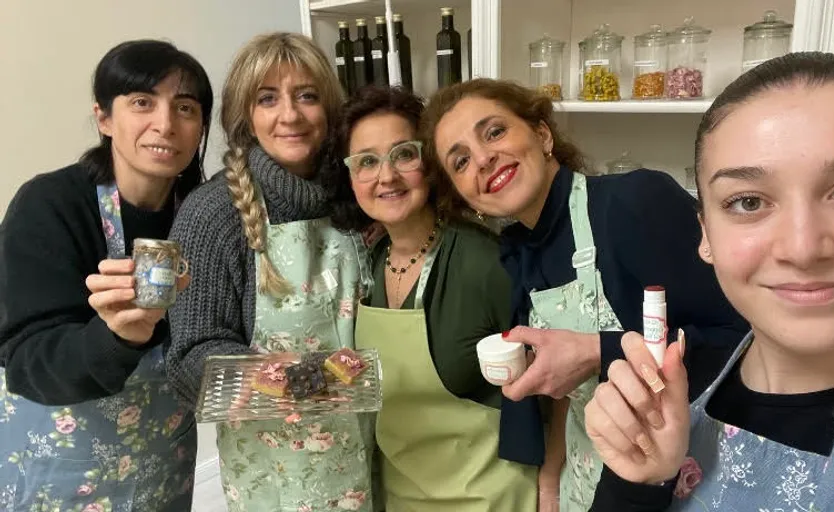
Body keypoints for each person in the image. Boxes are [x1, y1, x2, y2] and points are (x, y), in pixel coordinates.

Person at [585, 52, 834, 512]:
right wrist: (642, 479)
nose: (802, 248)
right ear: (706, 236)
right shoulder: (681, 381)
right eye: (749, 202)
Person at [420, 78, 748, 510]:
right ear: (466, 199)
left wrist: (598, 351)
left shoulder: (634, 203)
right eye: (460, 161)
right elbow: (565, 393)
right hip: (587, 483)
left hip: (680, 484)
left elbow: (744, 340)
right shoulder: (520, 252)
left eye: (495, 132)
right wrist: (551, 482)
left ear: (542, 133)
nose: (482, 159)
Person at [166, 32, 375, 512]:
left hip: (376, 449)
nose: (291, 115)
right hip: (278, 468)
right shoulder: (214, 214)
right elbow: (193, 350)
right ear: (246, 117)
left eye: (307, 96)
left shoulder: (362, 190)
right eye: (268, 99)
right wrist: (271, 375)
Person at [0, 40, 213, 510]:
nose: (165, 124)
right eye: (142, 103)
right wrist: (114, 336)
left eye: (185, 107)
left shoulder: (201, 214)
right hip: (61, 466)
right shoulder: (49, 206)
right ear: (103, 118)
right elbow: (28, 364)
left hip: (162, 460)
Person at [324, 85, 537, 510]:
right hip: (400, 498)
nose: (387, 176)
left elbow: (547, 400)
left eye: (404, 154)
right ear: (350, 179)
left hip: (490, 498)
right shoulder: (364, 266)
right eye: (366, 162)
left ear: (431, 162)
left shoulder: (484, 263)